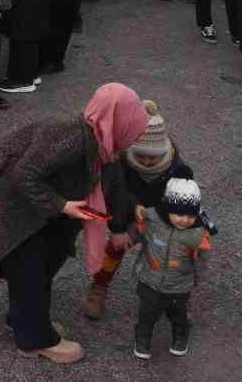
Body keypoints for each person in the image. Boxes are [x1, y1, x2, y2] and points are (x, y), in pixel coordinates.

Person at [0, 83, 150, 365]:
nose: (132, 137)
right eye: (130, 126)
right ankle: (34, 340)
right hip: (8, 199)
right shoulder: (71, 137)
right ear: (117, 121)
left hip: (33, 201)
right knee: (31, 267)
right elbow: (24, 173)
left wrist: (122, 222)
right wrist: (61, 205)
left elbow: (113, 184)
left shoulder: (101, 140)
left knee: (49, 255)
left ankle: (23, 320)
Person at [85, 100, 182, 320]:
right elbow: (116, 195)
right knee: (115, 248)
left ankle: (171, 295)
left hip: (162, 217)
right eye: (141, 156)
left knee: (169, 255)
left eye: (152, 157)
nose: (147, 161)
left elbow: (181, 201)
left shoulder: (178, 168)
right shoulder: (121, 162)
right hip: (128, 213)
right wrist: (122, 228)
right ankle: (99, 287)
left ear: (164, 151)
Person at [130, 163, 212, 359]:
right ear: (166, 209)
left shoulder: (197, 235)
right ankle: (142, 338)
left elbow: (202, 259)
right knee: (146, 313)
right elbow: (138, 229)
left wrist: (197, 278)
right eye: (178, 213)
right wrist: (137, 217)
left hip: (179, 284)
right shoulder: (153, 221)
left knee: (178, 314)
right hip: (149, 278)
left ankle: (181, 334)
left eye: (190, 215)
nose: (184, 219)